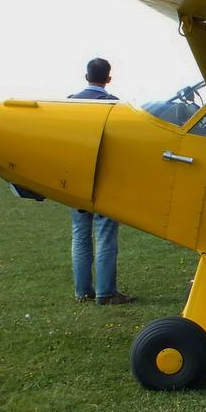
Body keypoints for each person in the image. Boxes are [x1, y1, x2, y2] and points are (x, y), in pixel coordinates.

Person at [68, 58, 134, 305]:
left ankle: (83, 291)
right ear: (108, 78)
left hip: (76, 181)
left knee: (80, 236)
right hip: (104, 181)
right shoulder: (114, 104)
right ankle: (106, 292)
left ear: (86, 77)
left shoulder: (68, 103)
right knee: (105, 236)